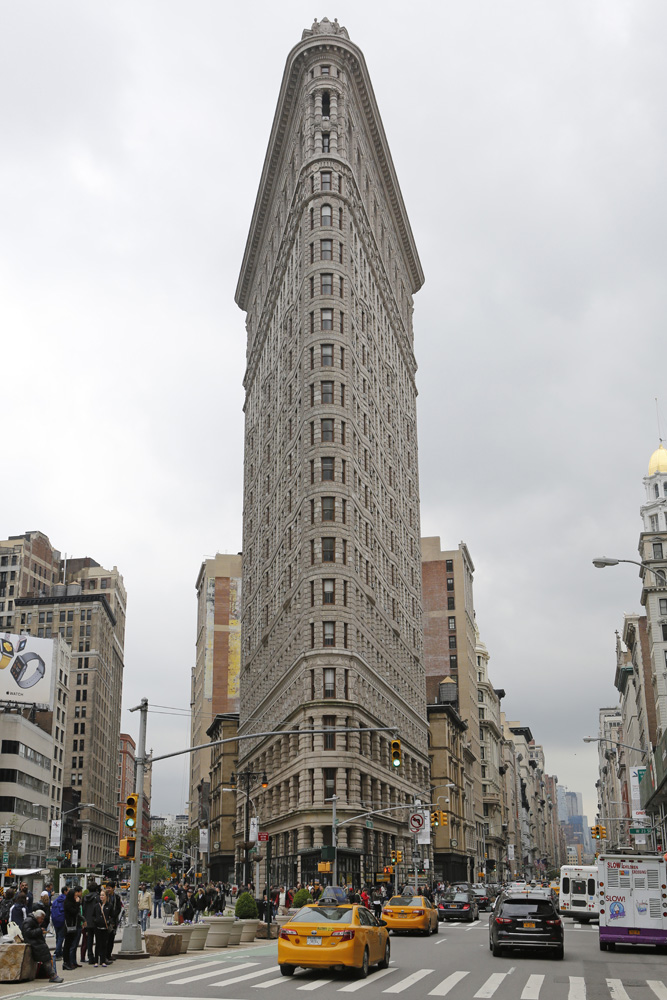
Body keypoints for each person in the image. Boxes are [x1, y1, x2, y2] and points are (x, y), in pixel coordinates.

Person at [21, 909, 63, 983]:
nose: (42, 920)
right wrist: (39, 930)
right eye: (42, 918)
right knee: (45, 956)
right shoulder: (29, 921)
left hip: (36, 942)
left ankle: (52, 974)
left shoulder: (32, 920)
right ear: (38, 917)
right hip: (33, 943)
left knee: (45, 954)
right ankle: (52, 975)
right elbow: (27, 933)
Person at [62, 886, 83, 971]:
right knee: (67, 945)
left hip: (73, 925)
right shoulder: (68, 903)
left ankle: (69, 962)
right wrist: (77, 903)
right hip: (69, 926)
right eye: (74, 896)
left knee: (70, 944)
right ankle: (66, 962)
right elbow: (74, 912)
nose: (76, 897)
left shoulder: (71, 902)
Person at [82, 880, 101, 966]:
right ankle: (97, 957)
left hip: (87, 920)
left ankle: (90, 956)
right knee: (98, 939)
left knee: (89, 939)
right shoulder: (97, 897)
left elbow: (83, 909)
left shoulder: (85, 898)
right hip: (95, 920)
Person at [91, 889, 110, 966]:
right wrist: (95, 920)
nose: (101, 896)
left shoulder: (109, 906)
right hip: (97, 927)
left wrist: (109, 921)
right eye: (101, 895)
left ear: (106, 896)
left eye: (103, 895)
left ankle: (103, 960)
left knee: (104, 944)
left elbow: (112, 915)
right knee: (97, 944)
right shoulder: (96, 906)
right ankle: (96, 961)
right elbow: (93, 915)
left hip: (105, 927)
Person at [105, 883, 122, 961]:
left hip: (113, 920)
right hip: (105, 920)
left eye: (109, 888)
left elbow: (119, 908)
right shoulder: (104, 897)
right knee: (105, 939)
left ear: (113, 888)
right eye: (107, 888)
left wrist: (113, 916)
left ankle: (108, 954)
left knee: (111, 938)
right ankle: (104, 956)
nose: (108, 889)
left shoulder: (117, 898)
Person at [51, 886, 67, 960]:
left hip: (55, 919)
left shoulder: (56, 900)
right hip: (62, 920)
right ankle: (57, 953)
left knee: (58, 936)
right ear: (65, 891)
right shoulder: (65, 900)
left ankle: (59, 951)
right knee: (61, 937)